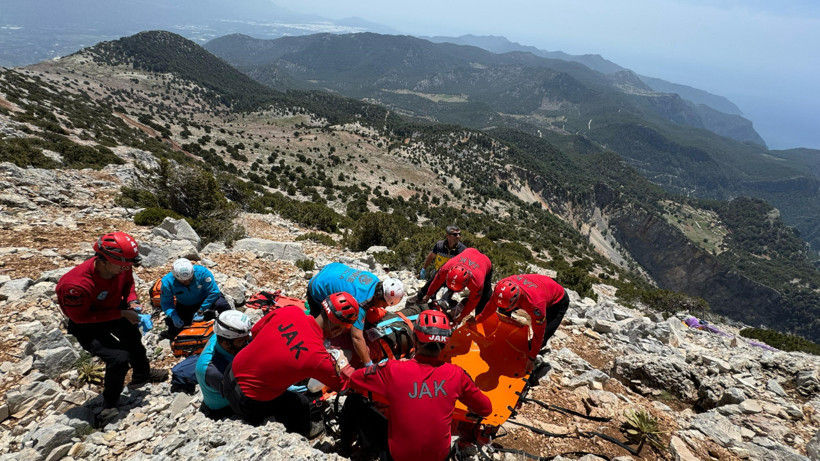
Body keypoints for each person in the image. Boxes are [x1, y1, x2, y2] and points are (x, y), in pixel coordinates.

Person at [341, 310, 492, 461]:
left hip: (398, 457)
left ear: (414, 339)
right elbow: (486, 408)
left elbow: (355, 379)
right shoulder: (457, 374)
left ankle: (346, 447)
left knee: (354, 402)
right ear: (445, 342)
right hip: (439, 457)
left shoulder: (392, 370)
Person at [55, 232, 168, 409]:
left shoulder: (121, 265)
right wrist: (122, 314)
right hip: (87, 324)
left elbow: (128, 283)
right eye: (123, 266)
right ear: (105, 260)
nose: (126, 268)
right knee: (118, 357)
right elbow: (79, 317)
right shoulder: (74, 285)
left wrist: (132, 301)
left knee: (133, 340)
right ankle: (110, 401)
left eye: (127, 265)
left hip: (116, 308)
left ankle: (142, 375)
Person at [222, 292, 359, 437]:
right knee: (301, 403)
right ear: (338, 329)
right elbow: (343, 385)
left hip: (229, 374)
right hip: (249, 402)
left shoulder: (290, 311)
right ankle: (305, 433)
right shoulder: (319, 358)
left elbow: (256, 331)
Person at [306, 262, 404, 367]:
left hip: (332, 269)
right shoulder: (361, 302)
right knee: (322, 329)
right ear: (380, 296)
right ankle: (308, 352)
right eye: (385, 304)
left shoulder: (374, 280)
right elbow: (356, 338)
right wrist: (369, 364)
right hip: (317, 287)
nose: (384, 307)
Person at [473, 274, 569, 373]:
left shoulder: (535, 305)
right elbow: (490, 307)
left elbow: (539, 335)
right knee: (503, 311)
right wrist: (477, 320)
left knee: (543, 335)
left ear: (517, 301)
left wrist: (532, 358)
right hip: (541, 285)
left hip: (557, 301)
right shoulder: (502, 288)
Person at [195, 310, 252, 418]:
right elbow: (241, 394)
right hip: (225, 408)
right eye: (242, 340)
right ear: (226, 343)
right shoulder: (213, 369)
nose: (247, 340)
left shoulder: (224, 339)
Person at [160, 258, 231, 339]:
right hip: (185, 304)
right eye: (183, 281)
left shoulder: (202, 273)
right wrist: (173, 316)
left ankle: (231, 322)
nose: (187, 282)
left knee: (221, 304)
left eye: (190, 279)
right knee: (175, 327)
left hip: (207, 299)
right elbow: (166, 302)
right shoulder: (167, 282)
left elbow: (213, 292)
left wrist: (201, 309)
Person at [421, 247, 493, 324]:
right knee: (448, 279)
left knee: (485, 295)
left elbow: (473, 301)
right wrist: (428, 294)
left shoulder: (477, 282)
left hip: (484, 262)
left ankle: (479, 320)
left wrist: (462, 316)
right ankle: (446, 301)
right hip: (469, 252)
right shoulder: (446, 268)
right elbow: (437, 281)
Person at [414, 225, 467, 302]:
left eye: (459, 234)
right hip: (439, 274)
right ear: (447, 235)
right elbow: (431, 256)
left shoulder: (462, 249)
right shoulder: (439, 245)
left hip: (452, 277)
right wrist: (424, 268)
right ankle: (419, 300)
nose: (458, 236)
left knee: (445, 299)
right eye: (455, 234)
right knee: (430, 290)